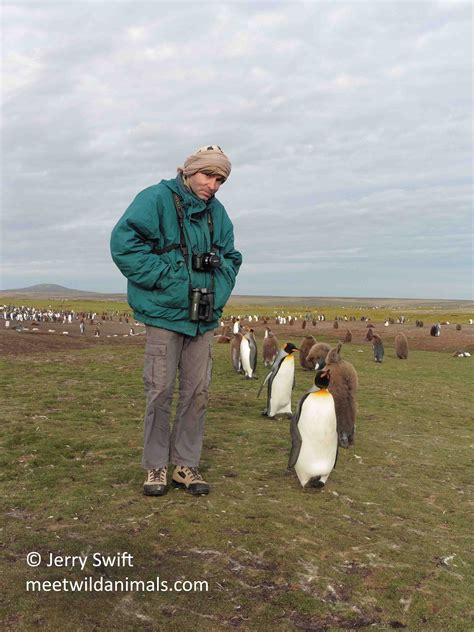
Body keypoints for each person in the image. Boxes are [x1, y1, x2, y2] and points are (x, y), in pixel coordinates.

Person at [110, 145, 242, 497]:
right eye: (208, 175)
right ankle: (155, 468)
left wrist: (218, 288)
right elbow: (124, 243)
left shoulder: (218, 214)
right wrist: (170, 278)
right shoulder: (156, 199)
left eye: (220, 180)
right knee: (161, 391)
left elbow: (231, 257)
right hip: (165, 316)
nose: (213, 185)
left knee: (197, 392)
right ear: (189, 171)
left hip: (203, 317)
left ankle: (186, 465)